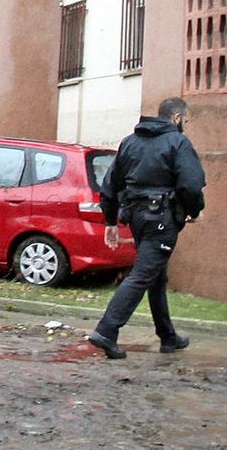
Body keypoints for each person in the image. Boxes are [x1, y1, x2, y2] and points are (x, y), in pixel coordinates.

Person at [86, 97, 206, 359]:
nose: (185, 124)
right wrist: (194, 211)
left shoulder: (130, 142)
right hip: (161, 220)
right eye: (185, 119)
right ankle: (106, 330)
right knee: (143, 274)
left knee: (156, 276)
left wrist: (110, 222)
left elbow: (110, 185)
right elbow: (191, 185)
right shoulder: (178, 142)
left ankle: (167, 336)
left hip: (137, 217)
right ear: (177, 118)